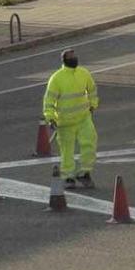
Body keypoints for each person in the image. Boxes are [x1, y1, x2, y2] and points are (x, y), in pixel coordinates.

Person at [43, 49, 99, 189]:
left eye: (75, 56)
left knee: (90, 145)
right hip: (65, 122)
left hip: (84, 118)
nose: (74, 59)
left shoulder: (83, 73)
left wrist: (93, 105)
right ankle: (68, 177)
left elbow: (92, 89)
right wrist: (50, 118)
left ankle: (84, 173)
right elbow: (49, 100)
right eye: (71, 57)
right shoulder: (56, 78)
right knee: (67, 151)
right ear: (64, 60)